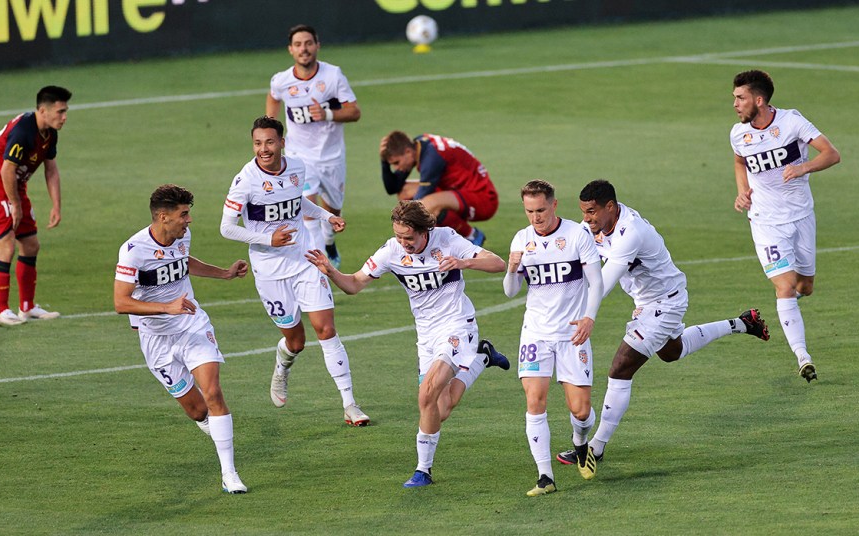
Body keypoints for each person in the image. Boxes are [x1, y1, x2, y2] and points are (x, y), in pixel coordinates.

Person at [556, 180, 771, 468]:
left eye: (592, 212)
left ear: (611, 207)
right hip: (649, 302)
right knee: (672, 351)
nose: (587, 218)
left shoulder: (630, 232)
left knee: (620, 368)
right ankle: (743, 323)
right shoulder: (595, 227)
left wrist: (586, 315)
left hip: (664, 303)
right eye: (583, 212)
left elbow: (603, 284)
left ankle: (596, 448)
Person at [305, 200, 510, 488]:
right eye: (399, 236)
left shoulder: (447, 238)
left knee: (426, 394)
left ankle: (422, 470)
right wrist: (331, 272)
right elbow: (354, 284)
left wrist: (463, 262)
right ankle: (482, 358)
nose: (404, 243)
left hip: (456, 325)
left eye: (409, 238)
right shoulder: (391, 251)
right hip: (425, 335)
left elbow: (498, 263)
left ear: (426, 231)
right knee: (442, 407)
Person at [220, 116, 369, 426]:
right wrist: (267, 238)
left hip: (305, 260)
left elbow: (297, 202)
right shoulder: (245, 180)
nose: (263, 149)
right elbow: (226, 228)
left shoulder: (298, 168)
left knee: (326, 330)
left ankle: (350, 404)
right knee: (296, 341)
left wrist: (327, 218)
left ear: (282, 143)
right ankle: (282, 367)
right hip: (270, 271)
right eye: (258, 143)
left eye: (270, 142)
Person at [113, 184, 249, 494]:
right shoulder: (133, 251)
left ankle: (229, 473)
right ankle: (216, 429)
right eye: (183, 215)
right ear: (163, 217)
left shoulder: (181, 236)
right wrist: (166, 307)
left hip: (191, 326)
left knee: (213, 392)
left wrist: (224, 274)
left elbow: (185, 262)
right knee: (197, 410)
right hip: (157, 339)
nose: (188, 221)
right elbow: (121, 302)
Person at [730, 69, 840, 383]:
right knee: (785, 286)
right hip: (766, 223)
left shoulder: (791, 122)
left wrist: (804, 166)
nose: (736, 104)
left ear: (759, 99)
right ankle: (803, 357)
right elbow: (740, 161)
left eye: (741, 98)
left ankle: (790, 301)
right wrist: (743, 191)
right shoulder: (738, 133)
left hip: (801, 215)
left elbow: (832, 154)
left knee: (805, 287)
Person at [503, 180, 604, 497]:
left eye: (541, 210)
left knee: (581, 411)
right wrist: (511, 269)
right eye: (530, 211)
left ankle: (580, 442)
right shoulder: (522, 239)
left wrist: (589, 318)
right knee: (535, 402)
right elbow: (511, 291)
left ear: (554, 205)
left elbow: (596, 282)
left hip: (572, 334)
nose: (536, 218)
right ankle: (544, 476)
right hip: (535, 333)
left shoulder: (577, 235)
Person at [266, 24, 361, 269]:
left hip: (331, 156)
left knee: (332, 215)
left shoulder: (332, 75)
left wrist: (328, 114)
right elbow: (274, 95)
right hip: (299, 156)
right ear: (290, 50)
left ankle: (328, 241)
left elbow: (354, 112)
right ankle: (321, 267)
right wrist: (272, 123)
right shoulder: (282, 80)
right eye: (298, 44)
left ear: (317, 45)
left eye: (308, 43)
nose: (303, 49)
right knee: (308, 212)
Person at [0, 86, 72, 326]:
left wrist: (56, 205)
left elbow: (51, 169)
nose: (64, 117)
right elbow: (6, 169)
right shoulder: (23, 131)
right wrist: (15, 204)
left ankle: (27, 307)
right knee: (6, 246)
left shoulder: (50, 133)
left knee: (30, 245)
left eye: (65, 111)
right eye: (60, 111)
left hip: (14, 187)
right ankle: (1, 311)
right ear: (43, 110)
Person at [380, 131, 499, 246]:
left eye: (396, 162)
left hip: (482, 199)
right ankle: (441, 240)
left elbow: (418, 204)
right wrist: (384, 163)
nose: (397, 168)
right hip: (458, 192)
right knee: (404, 192)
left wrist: (404, 230)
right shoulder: (419, 145)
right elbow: (393, 188)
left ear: (407, 152)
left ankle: (471, 236)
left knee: (426, 205)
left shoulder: (432, 158)